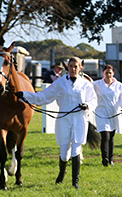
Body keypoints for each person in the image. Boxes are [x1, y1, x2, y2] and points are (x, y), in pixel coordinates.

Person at [15, 57, 97, 189]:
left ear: (80, 68)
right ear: (67, 67)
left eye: (76, 66)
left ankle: (75, 182)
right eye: (70, 66)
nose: (73, 69)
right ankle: (61, 173)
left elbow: (94, 101)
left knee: (76, 150)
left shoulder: (86, 84)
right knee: (64, 154)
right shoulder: (60, 83)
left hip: (80, 119)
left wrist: (87, 105)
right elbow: (42, 97)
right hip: (64, 119)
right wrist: (24, 95)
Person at [93, 64, 122, 166]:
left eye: (110, 73)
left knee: (111, 137)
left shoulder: (119, 86)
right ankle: (105, 160)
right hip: (102, 113)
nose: (108, 75)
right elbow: (87, 87)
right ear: (103, 73)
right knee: (105, 136)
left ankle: (111, 159)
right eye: (106, 73)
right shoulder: (97, 85)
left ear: (113, 73)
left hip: (114, 114)